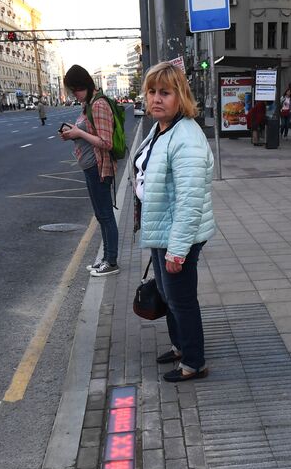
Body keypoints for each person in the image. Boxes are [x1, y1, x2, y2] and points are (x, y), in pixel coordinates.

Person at [134, 60, 216, 382]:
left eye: (165, 93)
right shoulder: (161, 128)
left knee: (181, 301)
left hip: (178, 235)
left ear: (180, 96)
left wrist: (177, 251)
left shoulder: (187, 138)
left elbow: (190, 200)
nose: (156, 98)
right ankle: (180, 346)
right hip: (163, 230)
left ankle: (194, 362)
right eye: (152, 91)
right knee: (169, 297)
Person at [60, 64, 120, 277]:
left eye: (76, 90)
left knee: (106, 215)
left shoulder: (99, 104)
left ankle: (111, 261)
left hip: (99, 167)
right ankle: (105, 258)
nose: (74, 95)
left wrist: (79, 133)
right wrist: (73, 133)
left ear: (84, 84)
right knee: (100, 215)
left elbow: (106, 142)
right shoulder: (88, 104)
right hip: (90, 166)